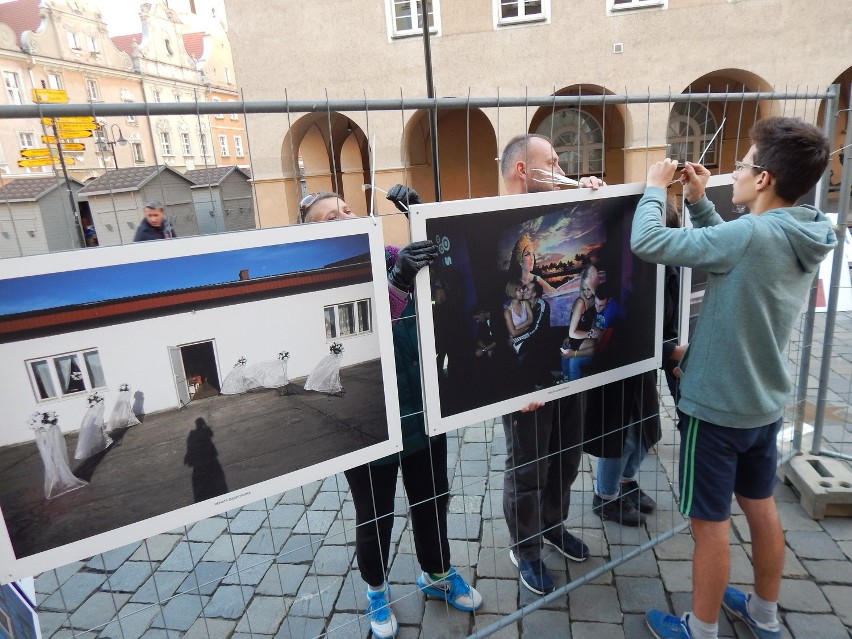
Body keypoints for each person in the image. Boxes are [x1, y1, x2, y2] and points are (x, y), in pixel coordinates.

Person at [632, 117, 836, 639]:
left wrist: (655, 190)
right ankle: (765, 615)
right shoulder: (805, 230)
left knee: (710, 526)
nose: (737, 172)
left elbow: (650, 241)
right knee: (762, 507)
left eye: (743, 164)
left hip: (716, 407)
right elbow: (733, 250)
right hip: (762, 402)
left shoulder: (751, 233)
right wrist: (700, 201)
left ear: (763, 178)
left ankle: (699, 628)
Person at [300, 188, 482, 639]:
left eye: (345, 208)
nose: (343, 216)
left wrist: (421, 216)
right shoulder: (320, 282)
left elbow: (450, 272)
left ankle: (437, 573)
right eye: (327, 219)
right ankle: (377, 591)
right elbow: (363, 331)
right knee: (375, 513)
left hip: (420, 405)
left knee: (432, 497)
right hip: (366, 419)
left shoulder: (393, 255)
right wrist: (397, 285)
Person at [499, 133, 604, 595]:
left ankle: (552, 524)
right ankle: (526, 548)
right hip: (522, 382)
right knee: (528, 466)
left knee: (567, 453)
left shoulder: (553, 217)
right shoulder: (486, 222)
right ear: (524, 168)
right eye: (553, 160)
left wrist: (599, 199)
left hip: (563, 370)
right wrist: (508, 389)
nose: (562, 167)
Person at [560, 266, 599, 381]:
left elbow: (593, 323)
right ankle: (567, 382)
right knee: (570, 357)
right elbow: (572, 333)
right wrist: (591, 334)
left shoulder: (597, 300)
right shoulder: (580, 302)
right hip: (577, 339)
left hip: (584, 340)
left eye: (589, 289)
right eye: (584, 289)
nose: (587, 293)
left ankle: (567, 380)